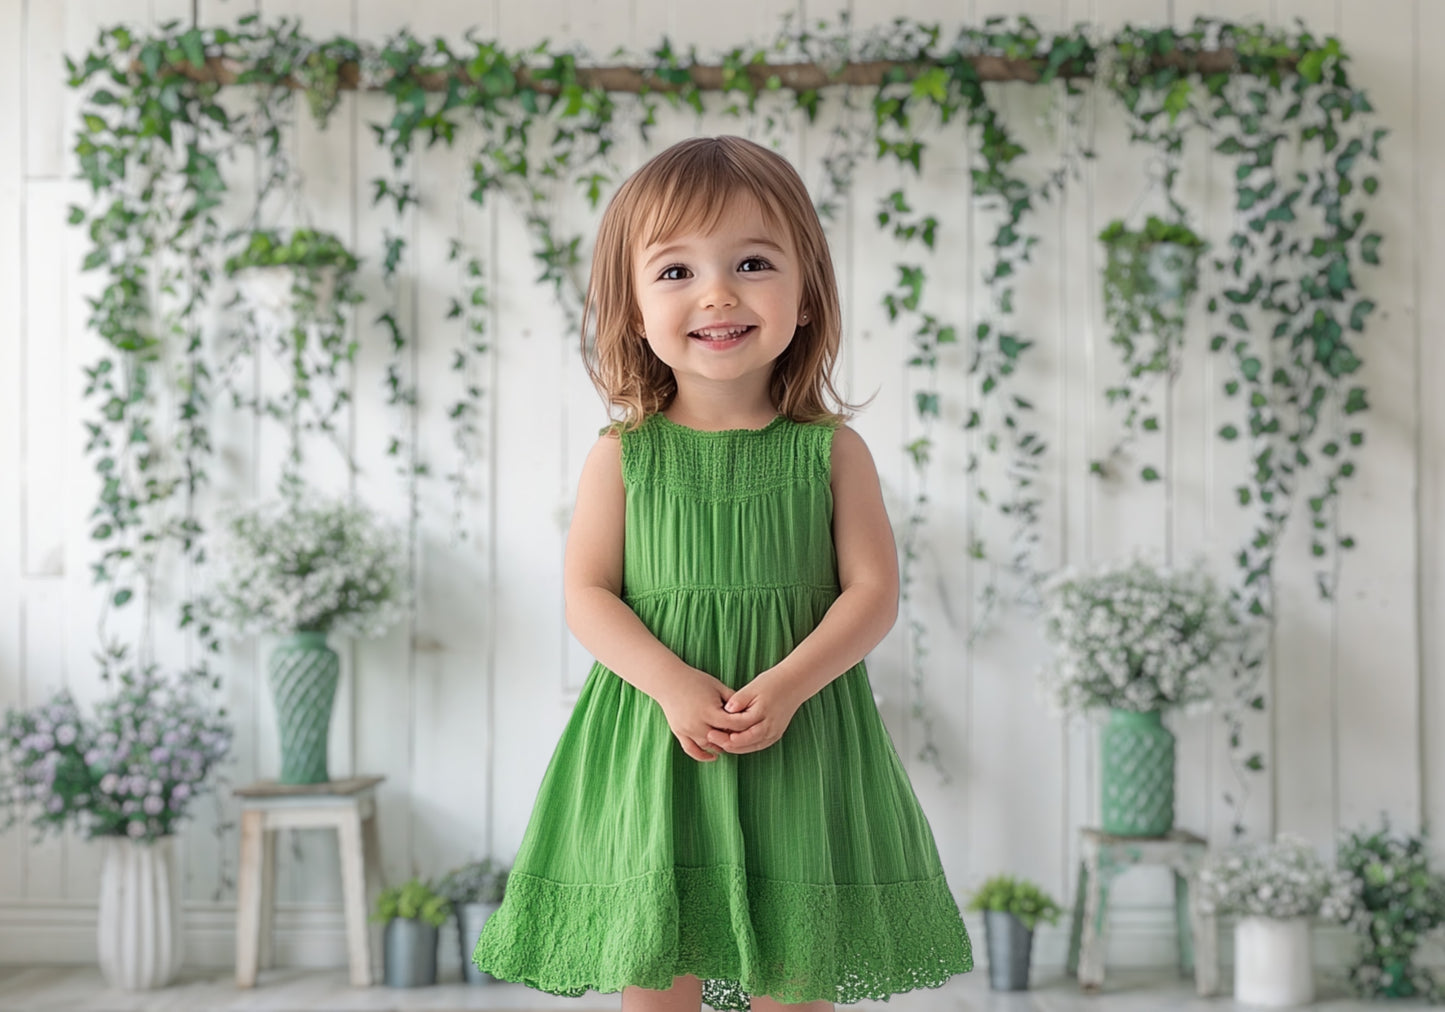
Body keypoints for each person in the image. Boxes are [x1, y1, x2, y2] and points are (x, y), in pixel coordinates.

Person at [473, 135, 972, 1012]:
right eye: (674, 272)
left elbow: (872, 593)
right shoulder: (621, 457)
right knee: (657, 972)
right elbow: (587, 596)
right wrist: (669, 684)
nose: (717, 292)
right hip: (659, 744)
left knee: (793, 975)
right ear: (630, 307)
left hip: (799, 737)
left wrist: (783, 687)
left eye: (751, 262)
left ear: (806, 295)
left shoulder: (831, 452)